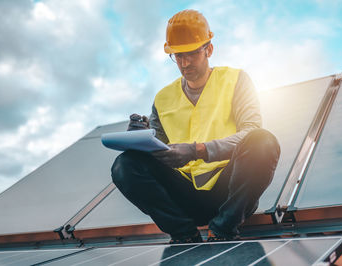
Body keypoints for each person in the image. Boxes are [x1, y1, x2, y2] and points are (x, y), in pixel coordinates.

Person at [111, 9, 280, 244]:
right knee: (124, 165)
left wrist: (197, 150)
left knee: (263, 140)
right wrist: (141, 139)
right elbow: (157, 151)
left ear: (209, 49)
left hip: (229, 192)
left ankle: (223, 230)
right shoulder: (163, 97)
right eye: (178, 56)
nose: (185, 62)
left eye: (191, 53)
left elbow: (250, 131)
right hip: (184, 195)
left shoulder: (236, 80)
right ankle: (184, 235)